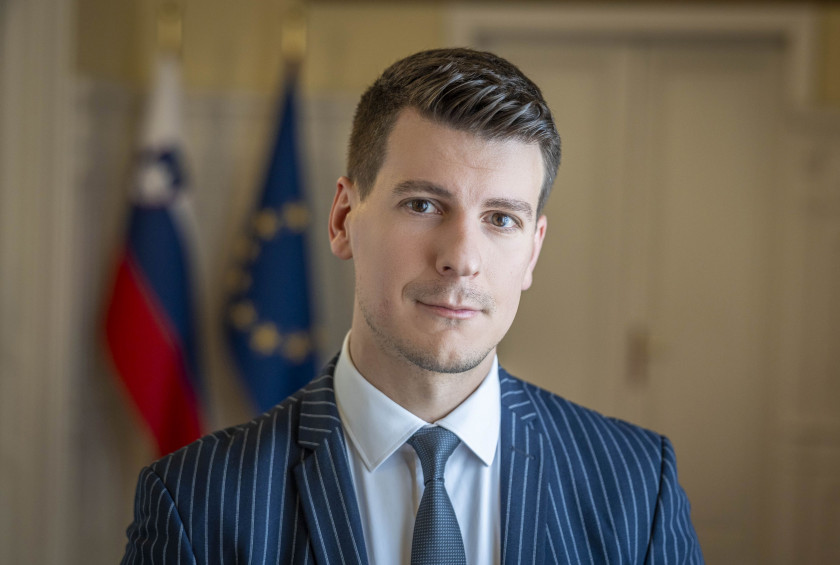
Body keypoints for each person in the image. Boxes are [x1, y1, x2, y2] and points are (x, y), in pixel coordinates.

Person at [122, 48, 703, 564]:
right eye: (424, 205)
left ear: (533, 250)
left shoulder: (636, 484)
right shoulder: (197, 500)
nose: (461, 259)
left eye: (501, 219)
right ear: (343, 220)